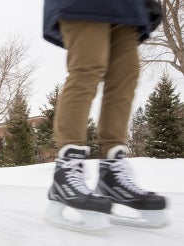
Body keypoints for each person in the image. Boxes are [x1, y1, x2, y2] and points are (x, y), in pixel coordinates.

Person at [43, 0, 166, 230]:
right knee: (87, 67)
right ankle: (66, 169)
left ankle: (112, 172)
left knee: (125, 76)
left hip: (128, 5)